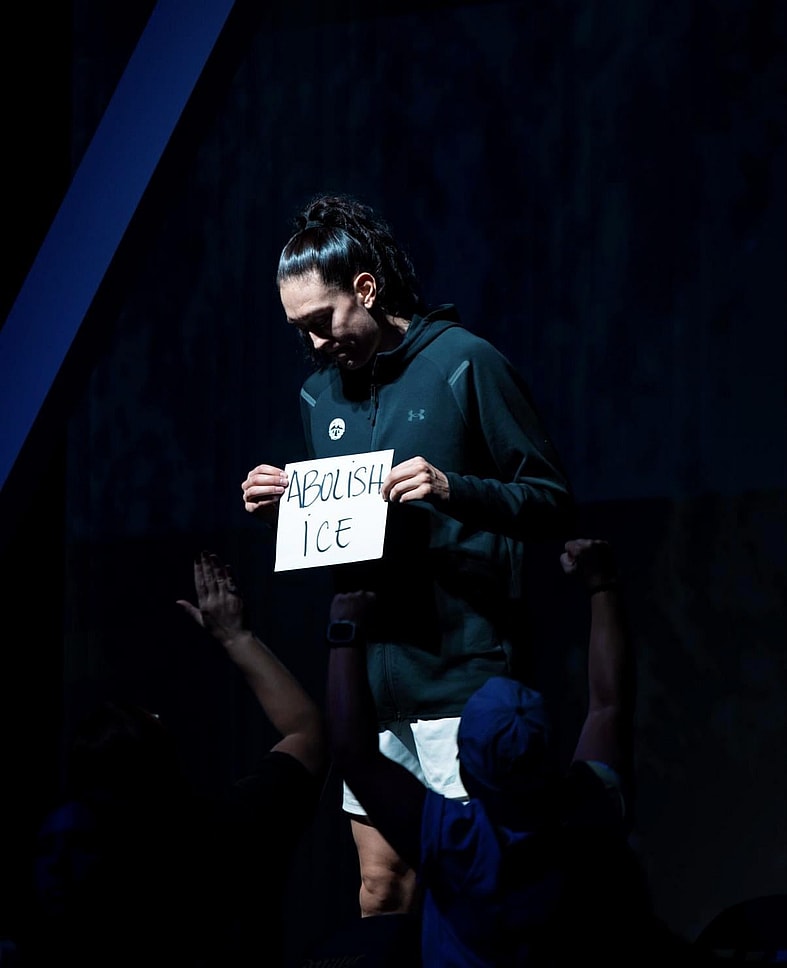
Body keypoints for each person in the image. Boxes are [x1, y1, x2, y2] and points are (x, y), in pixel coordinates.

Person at [241, 193, 574, 917]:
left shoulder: (464, 362)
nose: (318, 344)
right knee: (381, 888)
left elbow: (550, 498)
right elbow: (356, 530)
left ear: (365, 288)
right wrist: (289, 500)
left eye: (323, 323)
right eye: (300, 332)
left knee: (474, 887)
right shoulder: (318, 395)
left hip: (462, 677)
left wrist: (455, 488)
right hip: (376, 689)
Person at [323, 539, 690, 966]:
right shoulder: (593, 811)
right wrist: (602, 585)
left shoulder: (457, 843)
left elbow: (353, 751)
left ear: (465, 770)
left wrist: (344, 630)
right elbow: (610, 704)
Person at [25, 551, 327, 968]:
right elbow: (307, 733)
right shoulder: (226, 832)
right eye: (53, 849)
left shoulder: (68, 906)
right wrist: (236, 638)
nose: (58, 863)